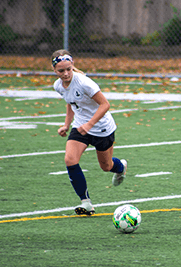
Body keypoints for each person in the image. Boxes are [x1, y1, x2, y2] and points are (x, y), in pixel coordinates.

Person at [52, 49, 127, 215]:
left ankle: (121, 167)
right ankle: (86, 203)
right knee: (70, 160)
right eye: (61, 70)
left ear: (73, 67)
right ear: (54, 71)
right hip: (80, 127)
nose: (65, 73)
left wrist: (90, 124)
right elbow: (71, 102)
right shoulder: (58, 85)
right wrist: (66, 125)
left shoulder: (84, 82)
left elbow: (105, 104)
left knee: (107, 166)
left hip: (102, 128)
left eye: (68, 69)